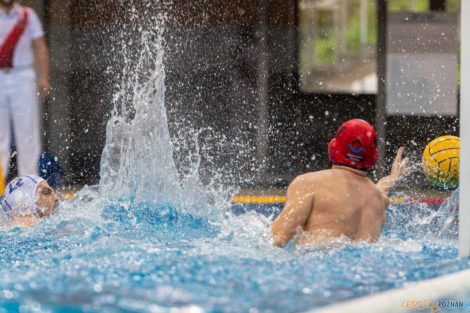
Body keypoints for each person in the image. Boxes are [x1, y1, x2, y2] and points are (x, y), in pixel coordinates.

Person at [271, 119, 412, 248]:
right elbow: (379, 191)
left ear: (333, 147)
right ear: (373, 157)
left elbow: (278, 239)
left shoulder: (308, 183)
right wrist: (393, 178)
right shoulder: (379, 201)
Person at [0, 0, 50, 180]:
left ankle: (29, 184)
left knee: (27, 131)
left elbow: (40, 46)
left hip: (22, 76)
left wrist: (44, 77)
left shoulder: (28, 15)